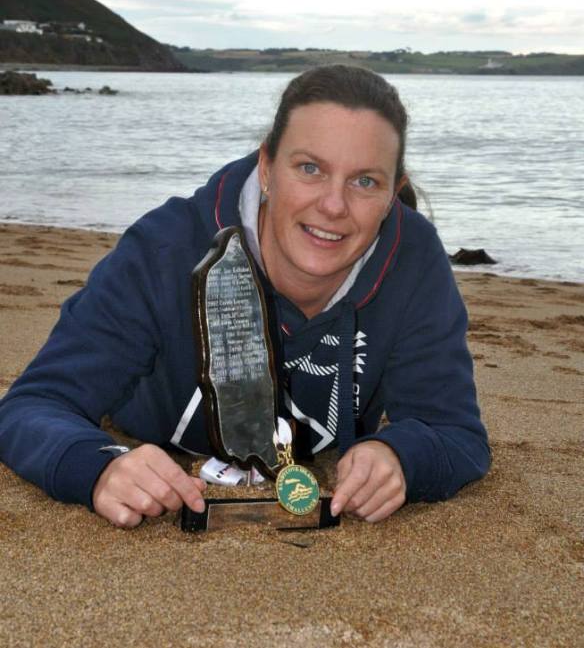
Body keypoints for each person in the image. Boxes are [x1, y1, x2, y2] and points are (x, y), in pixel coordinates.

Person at [0, 65, 490, 528]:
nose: (333, 205)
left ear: (391, 194)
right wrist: (98, 467)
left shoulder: (413, 260)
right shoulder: (165, 250)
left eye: (365, 181)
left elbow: (455, 433)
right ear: (267, 167)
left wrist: (400, 457)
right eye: (310, 168)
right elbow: (33, 406)